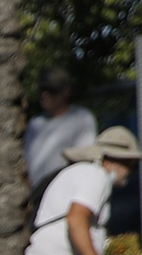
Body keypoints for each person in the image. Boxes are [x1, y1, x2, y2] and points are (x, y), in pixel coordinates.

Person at [24, 125, 142, 255]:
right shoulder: (96, 176)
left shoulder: (85, 172)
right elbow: (76, 219)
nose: (131, 171)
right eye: (130, 164)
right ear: (110, 161)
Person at [23, 65, 99, 193]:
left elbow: (85, 160)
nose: (45, 95)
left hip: (63, 194)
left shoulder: (81, 119)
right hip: (36, 197)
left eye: (52, 90)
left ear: (66, 91)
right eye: (42, 90)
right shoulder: (34, 123)